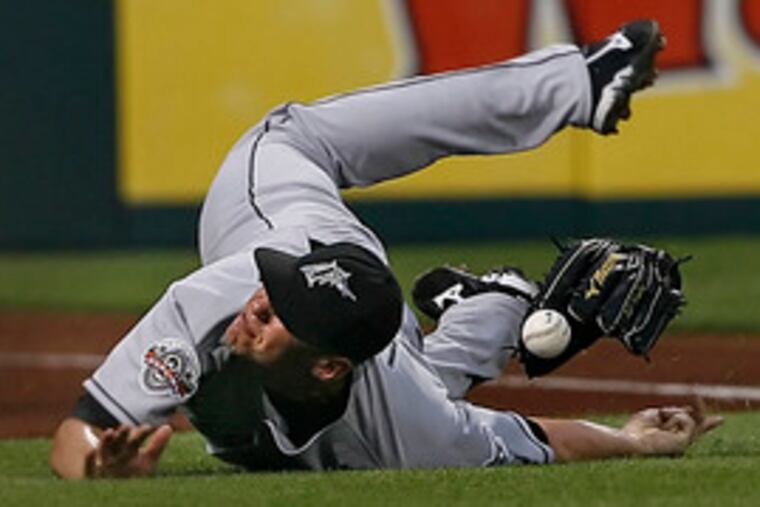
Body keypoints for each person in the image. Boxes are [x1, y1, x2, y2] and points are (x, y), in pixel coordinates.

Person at [49, 19, 721, 479]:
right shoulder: (222, 296)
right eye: (273, 292)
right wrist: (94, 463)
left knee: (421, 386)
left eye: (278, 310)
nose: (256, 306)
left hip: (377, 330)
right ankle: (576, 81)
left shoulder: (415, 429)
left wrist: (632, 440)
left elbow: (536, 440)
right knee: (288, 134)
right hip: (282, 216)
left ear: (326, 368)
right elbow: (80, 430)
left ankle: (494, 303)